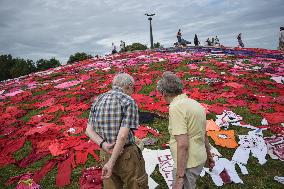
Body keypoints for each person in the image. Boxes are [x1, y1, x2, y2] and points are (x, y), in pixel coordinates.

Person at [85, 73, 148, 189]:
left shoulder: (98, 100)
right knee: (135, 184)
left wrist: (104, 145)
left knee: (111, 185)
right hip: (126, 154)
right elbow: (123, 136)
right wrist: (112, 162)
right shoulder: (128, 101)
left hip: (105, 152)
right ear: (128, 86)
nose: (132, 92)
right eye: (132, 89)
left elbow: (88, 130)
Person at [157, 72, 214, 189]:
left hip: (188, 163)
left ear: (164, 93)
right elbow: (204, 134)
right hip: (199, 157)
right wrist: (209, 155)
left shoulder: (176, 107)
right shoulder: (195, 104)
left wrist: (179, 177)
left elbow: (182, 144)